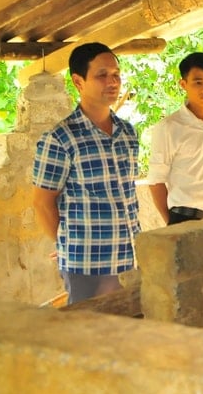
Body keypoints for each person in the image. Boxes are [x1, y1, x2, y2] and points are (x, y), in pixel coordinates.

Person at [31, 42, 140, 305]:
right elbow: (42, 202)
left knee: (126, 333)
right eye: (102, 75)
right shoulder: (60, 138)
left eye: (116, 74)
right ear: (78, 82)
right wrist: (65, 244)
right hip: (86, 263)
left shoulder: (127, 133)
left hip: (128, 257)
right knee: (86, 337)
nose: (112, 82)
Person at [146, 52, 203, 225]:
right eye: (198, 82)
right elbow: (156, 181)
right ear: (183, 84)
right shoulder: (169, 128)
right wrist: (172, 224)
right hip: (186, 219)